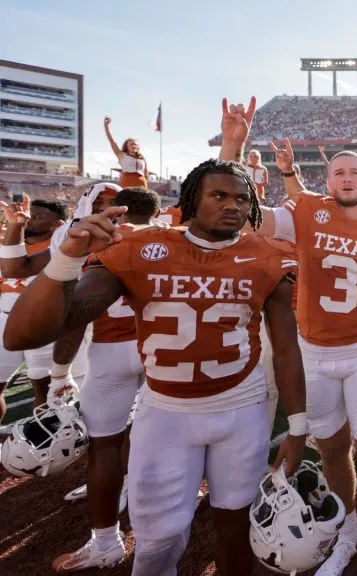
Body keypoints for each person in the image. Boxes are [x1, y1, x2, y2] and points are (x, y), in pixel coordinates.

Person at [2, 158, 308, 576]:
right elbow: (22, 336)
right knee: (156, 540)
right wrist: (67, 260)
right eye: (218, 195)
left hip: (241, 406)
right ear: (189, 203)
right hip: (166, 411)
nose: (232, 205)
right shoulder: (140, 251)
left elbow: (287, 349)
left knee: (236, 528)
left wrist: (298, 425)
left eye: (241, 198)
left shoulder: (269, 257)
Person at [254, 133, 357, 576]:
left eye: (355, 172)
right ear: (327, 180)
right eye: (339, 172)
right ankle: (346, 533)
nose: (347, 178)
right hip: (313, 356)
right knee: (331, 452)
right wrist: (254, 166)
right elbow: (256, 220)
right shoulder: (306, 211)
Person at [51, 187, 162, 573]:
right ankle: (150, 528)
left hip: (108, 349)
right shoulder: (171, 240)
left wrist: (59, 372)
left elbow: (74, 313)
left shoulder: (98, 242)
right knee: (157, 438)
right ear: (158, 212)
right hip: (158, 349)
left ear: (119, 212)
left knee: (103, 445)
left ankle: (105, 541)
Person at [0, 196, 71, 406]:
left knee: (46, 391)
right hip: (4, 318)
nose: (30, 218)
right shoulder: (7, 242)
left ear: (58, 224)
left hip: (43, 322)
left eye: (38, 216)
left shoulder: (62, 246)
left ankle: (46, 437)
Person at [103, 116, 150, 188]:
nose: (134, 146)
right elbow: (112, 141)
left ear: (138, 147)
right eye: (131, 144)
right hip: (127, 182)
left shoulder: (142, 158)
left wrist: (145, 180)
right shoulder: (121, 155)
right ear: (126, 146)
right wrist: (106, 126)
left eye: (135, 144)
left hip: (142, 183)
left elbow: (146, 174)